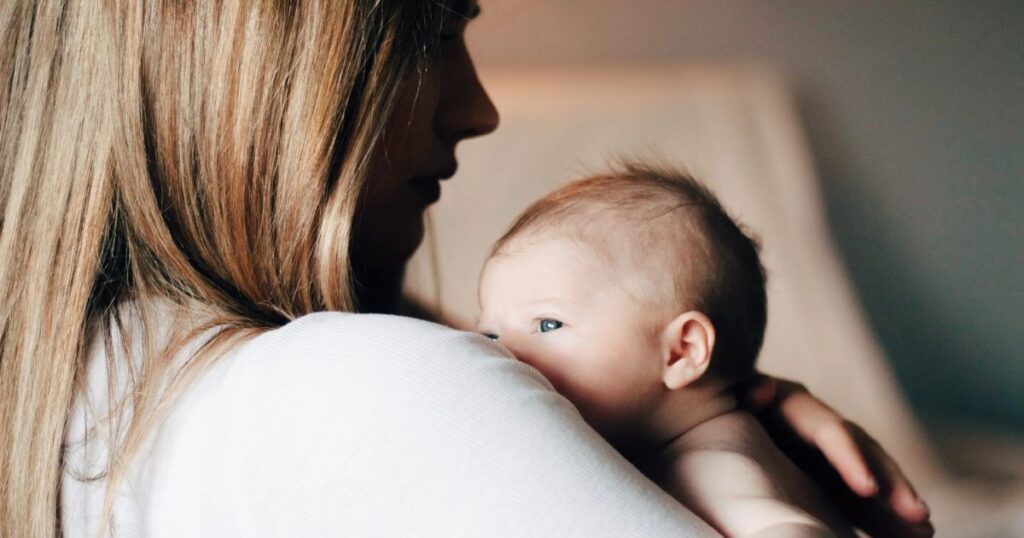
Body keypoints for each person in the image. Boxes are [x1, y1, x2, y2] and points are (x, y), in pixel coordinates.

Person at [0, 1, 932, 536]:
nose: (479, 108)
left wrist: (721, 409)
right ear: (247, 64)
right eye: (432, 30)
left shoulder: (77, 392)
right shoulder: (359, 385)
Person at [477, 163, 856, 537]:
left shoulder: (704, 464)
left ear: (681, 352)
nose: (504, 353)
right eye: (490, 335)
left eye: (548, 324)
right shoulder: (695, 441)